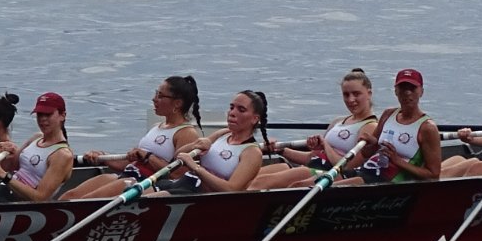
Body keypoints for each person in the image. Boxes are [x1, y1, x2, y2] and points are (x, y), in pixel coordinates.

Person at [66, 75, 205, 200]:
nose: (154, 99)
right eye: (156, 93)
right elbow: (131, 162)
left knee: (88, 200)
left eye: (160, 96)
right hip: (128, 174)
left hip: (144, 184)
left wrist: (148, 156)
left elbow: (177, 176)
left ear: (177, 103)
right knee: (70, 196)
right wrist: (102, 157)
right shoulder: (157, 126)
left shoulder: (186, 133)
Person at [251, 69, 380, 190]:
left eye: (356, 94)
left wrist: (325, 145)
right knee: (254, 178)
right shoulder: (338, 122)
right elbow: (311, 157)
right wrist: (282, 151)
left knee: (261, 183)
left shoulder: (370, 127)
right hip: (313, 166)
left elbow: (347, 166)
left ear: (369, 93)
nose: (351, 100)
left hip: (331, 174)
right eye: (346, 95)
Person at [338, 67, 440, 185]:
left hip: (390, 180)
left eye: (412, 88)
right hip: (368, 170)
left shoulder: (427, 127)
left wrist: (397, 160)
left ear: (421, 91)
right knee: (316, 180)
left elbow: (433, 175)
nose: (407, 93)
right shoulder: (388, 114)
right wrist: (369, 143)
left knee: (331, 188)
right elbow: (368, 153)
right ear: (396, 91)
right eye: (402, 88)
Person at [167, 90, 268, 193]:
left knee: (155, 196)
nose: (232, 113)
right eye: (232, 108)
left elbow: (231, 189)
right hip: (186, 182)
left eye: (241, 110)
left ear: (255, 119)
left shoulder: (252, 153)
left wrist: (195, 167)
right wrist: (195, 145)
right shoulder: (223, 134)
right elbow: (178, 155)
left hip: (203, 196)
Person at [0, 92, 77, 203]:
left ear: (62, 115)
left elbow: (40, 198)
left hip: (17, 202)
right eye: (40, 114)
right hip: (4, 190)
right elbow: (11, 166)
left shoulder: (62, 155)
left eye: (48, 114)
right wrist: (1, 151)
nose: (42, 119)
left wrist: (2, 174)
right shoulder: (36, 138)